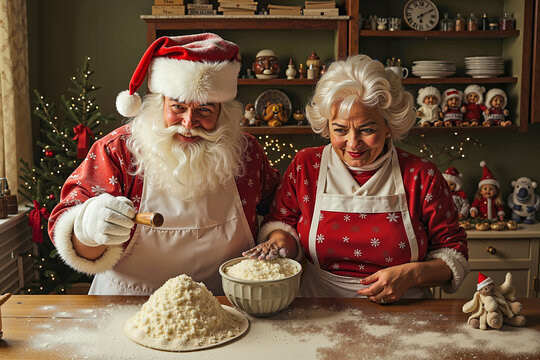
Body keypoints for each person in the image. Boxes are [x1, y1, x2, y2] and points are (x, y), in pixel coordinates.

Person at [48, 33, 280, 295]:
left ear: (223, 112)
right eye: (178, 107)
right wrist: (87, 226)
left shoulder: (246, 153)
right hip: (129, 303)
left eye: (205, 110)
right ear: (160, 103)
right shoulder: (117, 151)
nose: (189, 122)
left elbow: (281, 209)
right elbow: (71, 233)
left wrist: (276, 239)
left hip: (224, 304)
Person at [243, 55, 469, 303]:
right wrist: (278, 243)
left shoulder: (420, 174)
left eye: (367, 129)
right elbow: (282, 224)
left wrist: (412, 275)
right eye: (340, 130)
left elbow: (454, 254)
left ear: (388, 125)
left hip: (405, 311)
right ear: (326, 125)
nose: (353, 143)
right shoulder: (307, 165)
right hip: (318, 307)